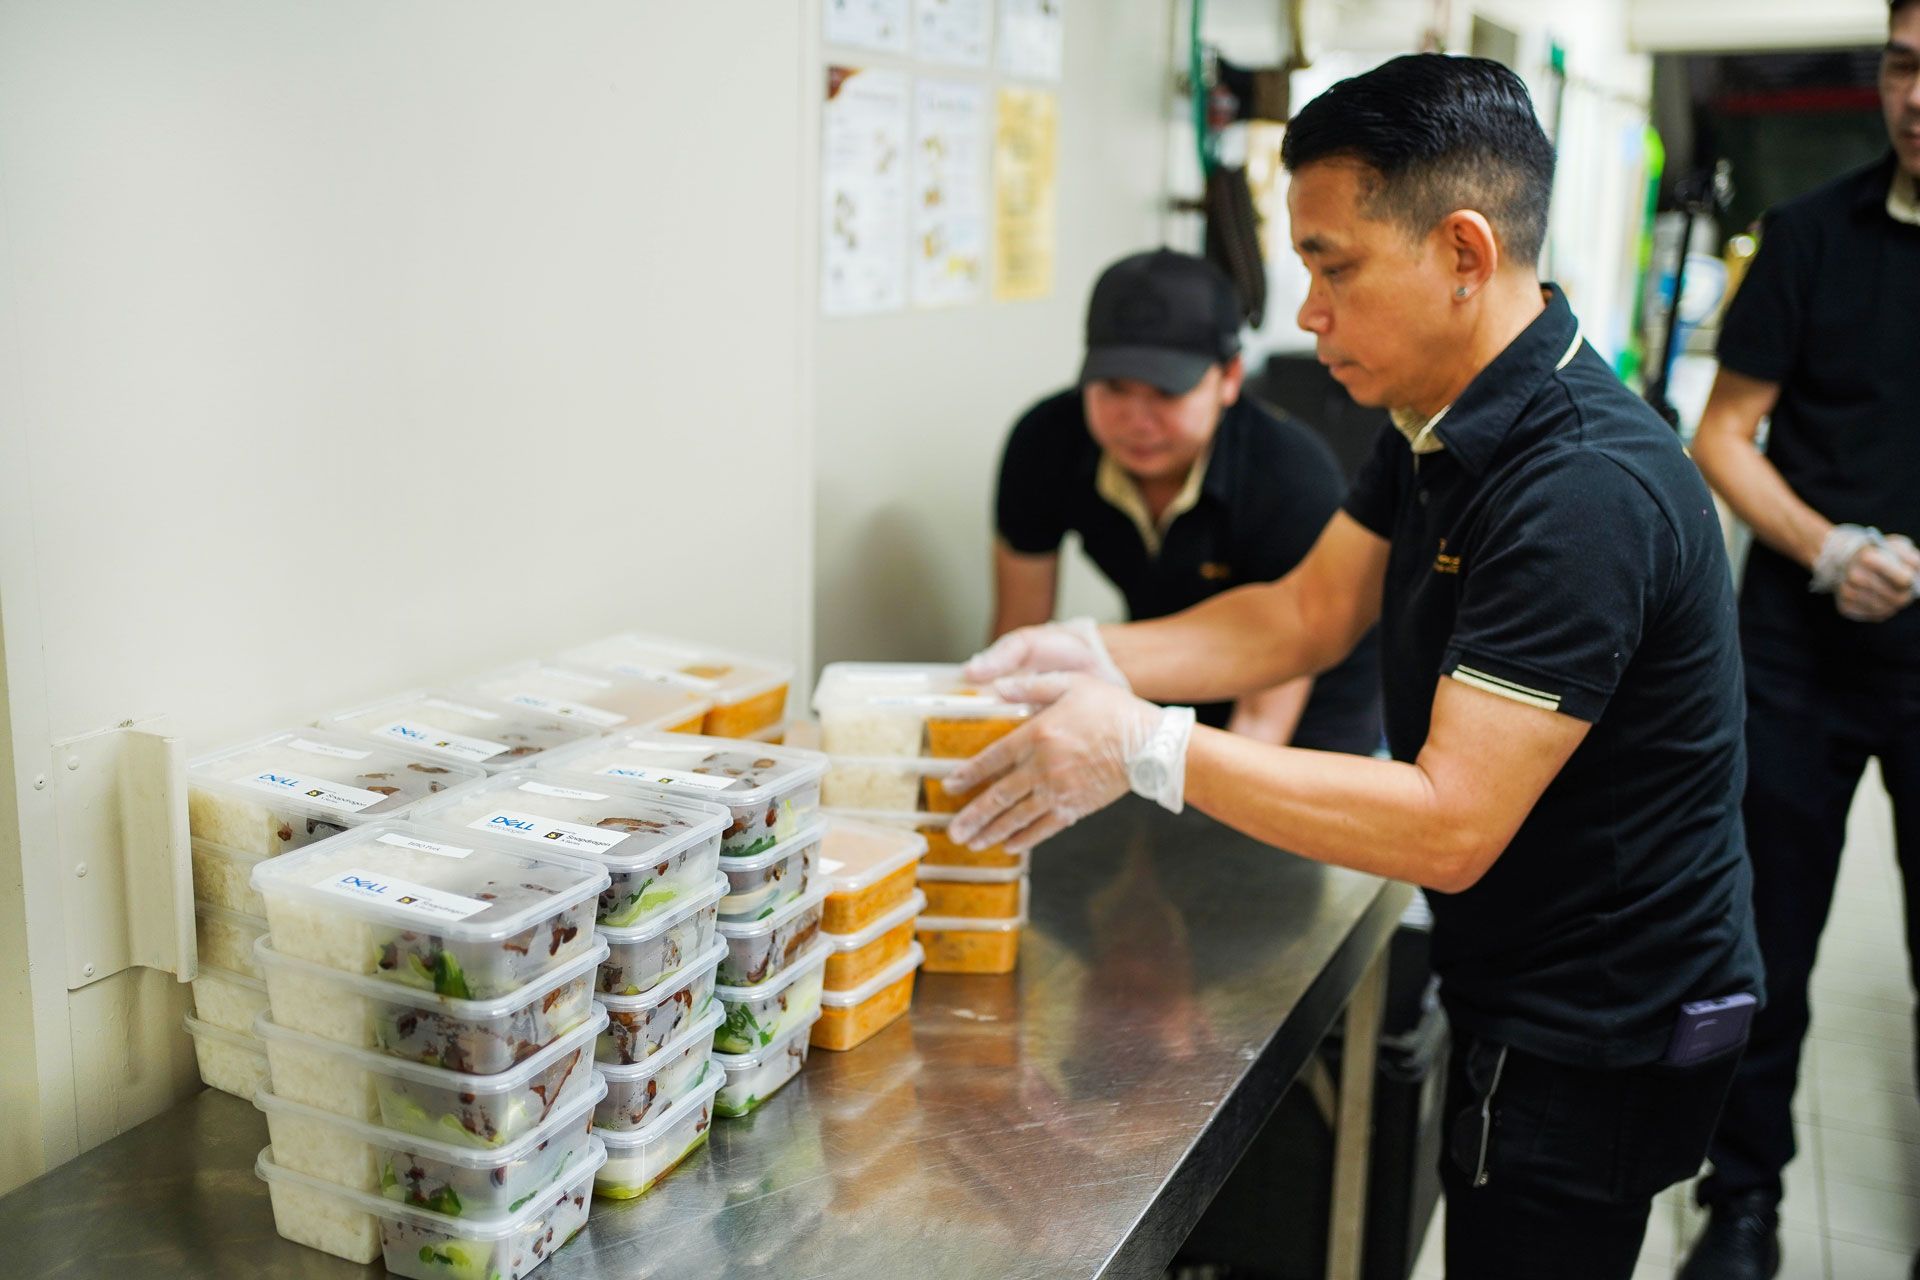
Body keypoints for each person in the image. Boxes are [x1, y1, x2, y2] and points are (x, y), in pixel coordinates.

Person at [943, 54, 1763, 1280]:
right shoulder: (1444, 413)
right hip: (1526, 968)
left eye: (1333, 266)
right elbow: (1306, 612)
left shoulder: (1582, 486)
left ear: (1465, 253)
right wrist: (1091, 650)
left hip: (1597, 1022)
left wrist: (1143, 743)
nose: (1307, 312)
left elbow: (1447, 825)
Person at [1681, 4, 1920, 1278]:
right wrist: (1825, 547)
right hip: (1797, 652)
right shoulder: (1811, 236)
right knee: (1764, 939)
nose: (1919, 95)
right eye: (1903, 65)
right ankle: (1745, 1204)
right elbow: (1724, 431)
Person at [991, 248, 1383, 754]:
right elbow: (1019, 633)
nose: (1137, 419)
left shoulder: (1289, 477)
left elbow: (1263, 722)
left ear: (1230, 379)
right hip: (1170, 677)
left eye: (1165, 392)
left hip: (1310, 699)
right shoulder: (1046, 443)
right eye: (1112, 387)